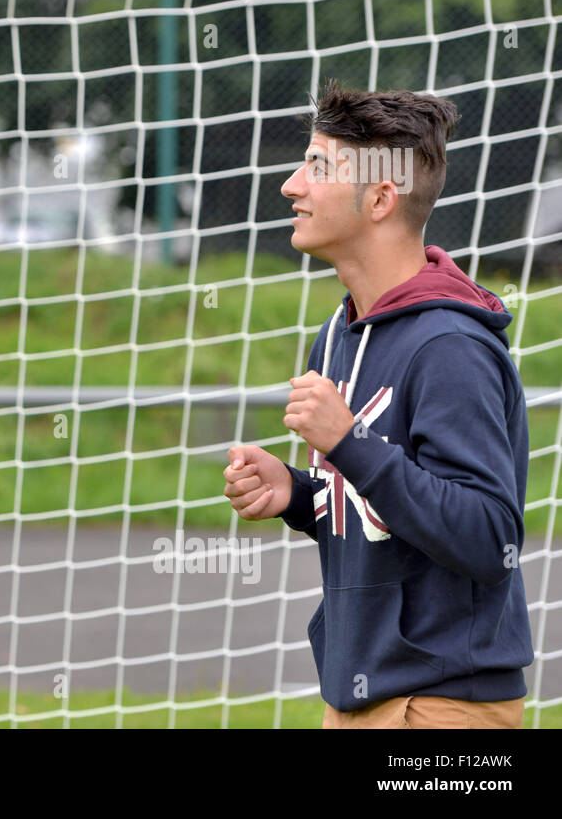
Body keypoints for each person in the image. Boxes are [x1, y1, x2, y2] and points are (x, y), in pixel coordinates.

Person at [223, 81, 533, 728]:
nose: (291, 187)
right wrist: (301, 494)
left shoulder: (450, 346)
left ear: (381, 197)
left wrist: (348, 444)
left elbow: (489, 538)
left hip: (443, 708)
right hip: (359, 701)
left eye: (318, 167)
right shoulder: (336, 335)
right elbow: (383, 511)